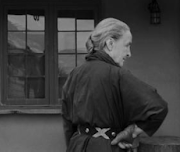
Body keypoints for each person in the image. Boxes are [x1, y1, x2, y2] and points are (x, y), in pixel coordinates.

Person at [61, 17, 168, 152]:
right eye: (127, 45)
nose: (129, 53)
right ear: (110, 43)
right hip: (109, 147)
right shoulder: (118, 75)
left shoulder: (74, 74)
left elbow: (67, 125)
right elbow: (158, 107)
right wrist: (132, 132)